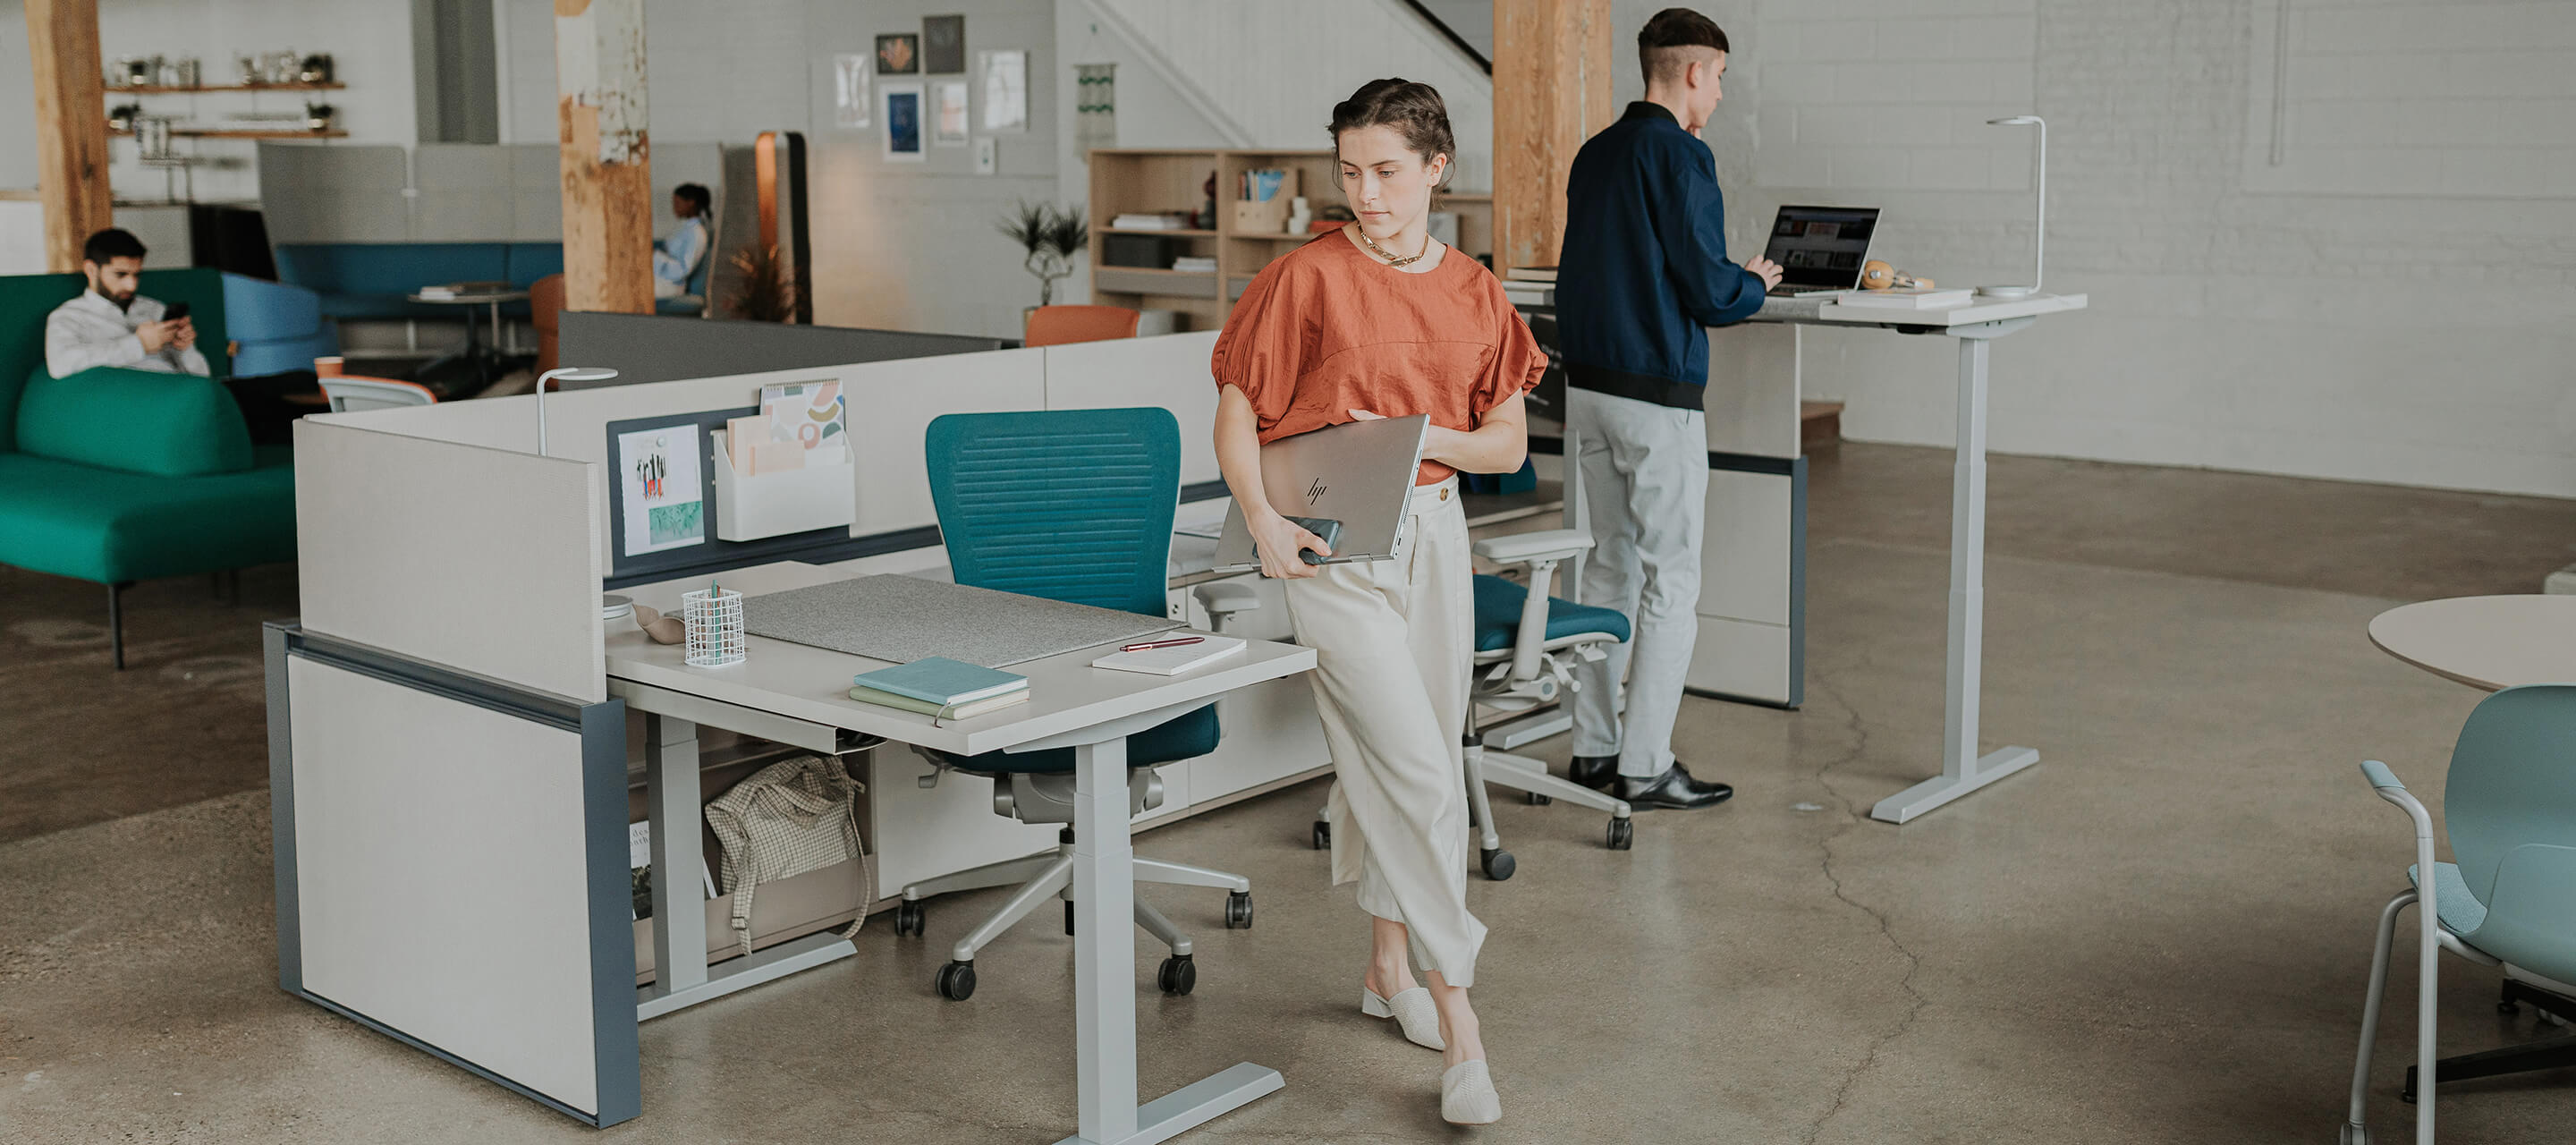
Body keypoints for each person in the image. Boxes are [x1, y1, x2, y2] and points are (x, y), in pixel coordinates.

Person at [1210, 79, 1541, 1126]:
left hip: (1435, 532)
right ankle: (1463, 1029)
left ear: (1438, 166)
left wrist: (1421, 435)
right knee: (1416, 774)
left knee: (1414, 756)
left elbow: (1507, 441)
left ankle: (1386, 967)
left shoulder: (1476, 291)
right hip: (1333, 545)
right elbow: (1236, 408)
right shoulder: (1304, 276)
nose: (1368, 192)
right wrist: (1261, 519)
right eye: (1351, 171)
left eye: (1388, 171)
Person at [1554, 8, 1783, 810]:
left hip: (1588, 392)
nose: (1719, 95)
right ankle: (1646, 765)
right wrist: (1753, 280)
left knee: (1607, 568)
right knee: (1671, 581)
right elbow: (1709, 290)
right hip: (1657, 399)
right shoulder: (1682, 155)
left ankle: (1593, 750)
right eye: (1719, 79)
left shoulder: (1596, 152)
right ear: (1692, 71)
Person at [45, 227, 318, 445]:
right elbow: (60, 365)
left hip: (192, 392)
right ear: (92, 269)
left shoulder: (152, 308)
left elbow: (200, 377)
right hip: (152, 403)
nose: (132, 284)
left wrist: (186, 348)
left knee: (302, 379)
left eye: (137, 274)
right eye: (121, 274)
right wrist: (139, 344)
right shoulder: (69, 318)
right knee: (281, 419)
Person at [653, 182, 712, 299]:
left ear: (690, 203)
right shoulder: (685, 229)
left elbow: (684, 269)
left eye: (677, 203)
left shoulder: (697, 233)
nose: (674, 208)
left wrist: (656, 257)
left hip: (671, 285)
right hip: (663, 278)